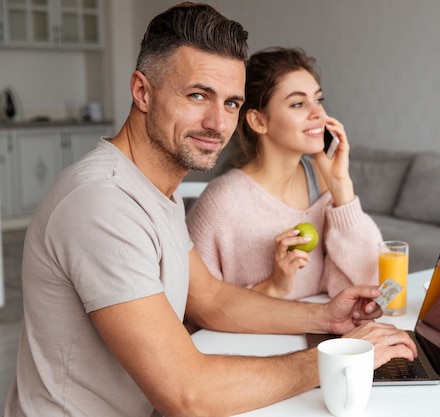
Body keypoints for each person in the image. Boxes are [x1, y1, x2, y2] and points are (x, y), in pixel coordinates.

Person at [3, 3, 416, 417]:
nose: (218, 123)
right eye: (198, 95)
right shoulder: (102, 204)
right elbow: (189, 394)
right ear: (142, 91)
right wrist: (342, 357)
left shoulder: (154, 192)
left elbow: (211, 300)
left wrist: (326, 318)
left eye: (232, 103)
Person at [186, 47, 382, 299]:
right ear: (258, 121)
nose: (318, 113)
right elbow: (195, 308)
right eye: (298, 104)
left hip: (317, 334)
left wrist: (341, 184)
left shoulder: (321, 183)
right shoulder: (222, 202)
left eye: (318, 100)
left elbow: (372, 282)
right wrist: (274, 286)